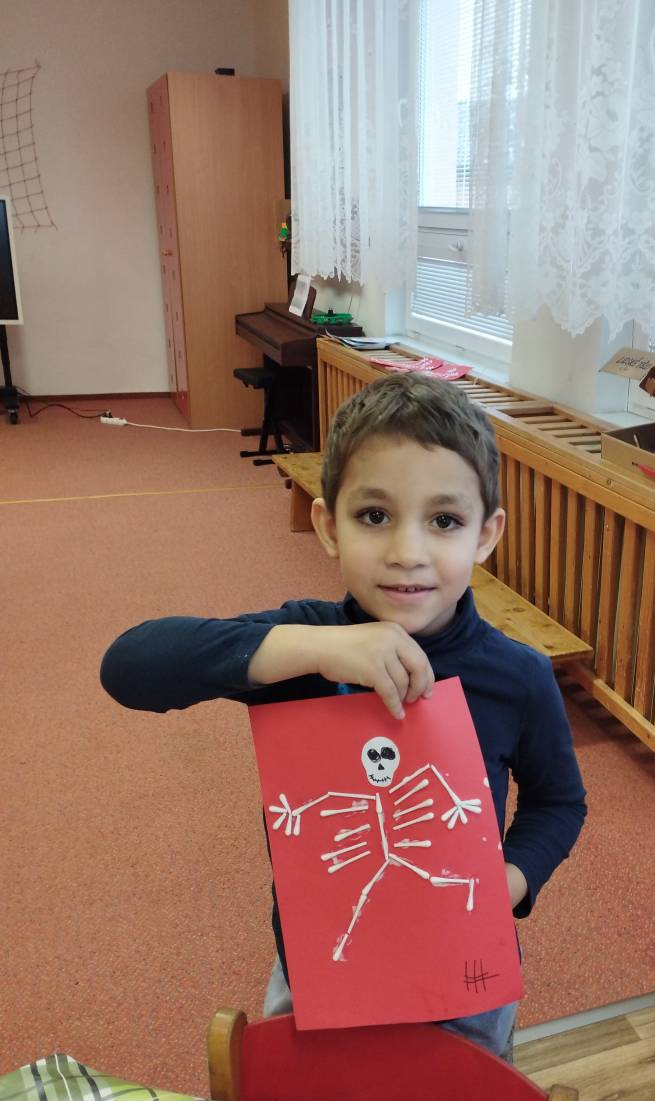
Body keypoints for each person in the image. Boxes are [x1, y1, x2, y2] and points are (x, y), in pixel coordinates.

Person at [100, 373, 587, 1059]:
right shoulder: (305, 646)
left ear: (486, 535)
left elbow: (558, 802)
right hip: (319, 972)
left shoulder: (519, 676)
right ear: (329, 526)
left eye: (444, 521)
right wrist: (311, 647)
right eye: (375, 516)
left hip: (462, 974)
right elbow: (128, 666)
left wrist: (511, 878)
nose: (407, 553)